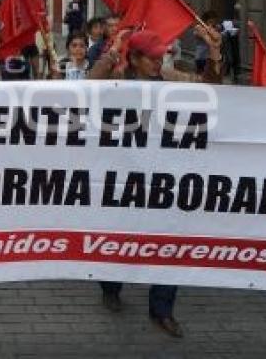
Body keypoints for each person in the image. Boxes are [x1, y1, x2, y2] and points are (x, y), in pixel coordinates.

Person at [89, 26, 223, 338]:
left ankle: (162, 310)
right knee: (119, 240)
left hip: (165, 178)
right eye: (151, 58)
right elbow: (89, 86)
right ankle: (110, 287)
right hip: (124, 177)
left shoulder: (171, 79)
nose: (157, 62)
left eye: (160, 56)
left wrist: (214, 54)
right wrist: (112, 51)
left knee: (169, 241)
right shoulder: (118, 80)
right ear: (134, 58)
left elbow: (209, 88)